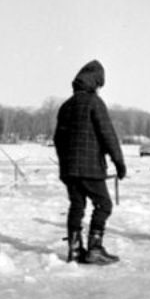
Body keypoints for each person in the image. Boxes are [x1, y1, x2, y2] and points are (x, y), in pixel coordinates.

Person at [53, 60, 127, 265]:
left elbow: (58, 140)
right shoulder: (94, 103)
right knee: (104, 205)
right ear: (94, 83)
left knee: (76, 206)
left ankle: (75, 251)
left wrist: (66, 163)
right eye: (99, 84)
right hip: (90, 168)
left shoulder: (65, 106)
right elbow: (108, 135)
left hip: (69, 170)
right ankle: (95, 249)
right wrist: (119, 163)